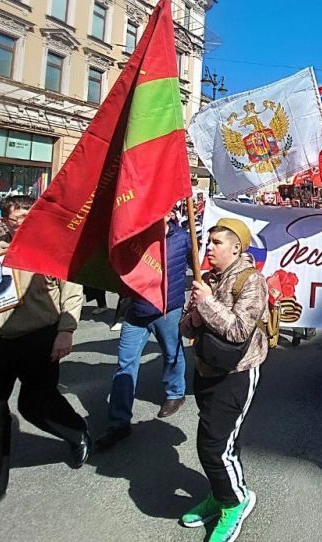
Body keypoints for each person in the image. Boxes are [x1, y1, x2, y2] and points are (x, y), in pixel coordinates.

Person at [0, 195, 89, 537]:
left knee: (36, 402)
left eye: (28, 215)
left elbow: (72, 292)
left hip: (38, 339)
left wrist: (66, 332)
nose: (22, 221)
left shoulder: (51, 247)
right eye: (16, 217)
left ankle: (76, 431)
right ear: (4, 221)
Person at [179, 218, 267, 541]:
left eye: (217, 242)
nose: (209, 247)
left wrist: (207, 305)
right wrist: (195, 314)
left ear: (235, 247)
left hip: (237, 373)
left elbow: (239, 329)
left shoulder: (251, 281)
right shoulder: (207, 280)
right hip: (205, 369)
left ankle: (236, 501)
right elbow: (186, 329)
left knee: (214, 446)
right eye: (209, 241)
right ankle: (220, 493)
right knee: (219, 439)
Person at [95, 213, 190, 450]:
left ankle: (175, 393)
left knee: (172, 354)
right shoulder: (135, 237)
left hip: (168, 310)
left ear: (169, 212)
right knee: (125, 364)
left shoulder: (183, 239)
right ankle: (119, 422)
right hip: (136, 310)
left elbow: (197, 266)